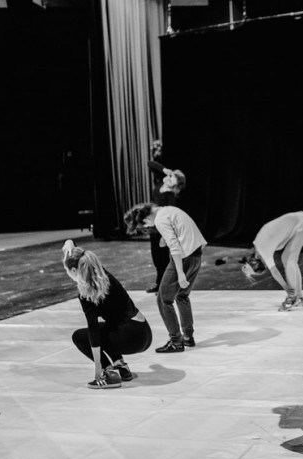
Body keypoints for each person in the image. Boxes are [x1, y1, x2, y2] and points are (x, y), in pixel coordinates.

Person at [62, 240, 152, 389]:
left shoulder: (86, 294)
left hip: (130, 338)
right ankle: (120, 366)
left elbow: (93, 330)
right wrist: (70, 243)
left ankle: (109, 373)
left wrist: (98, 367)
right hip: (144, 333)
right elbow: (82, 257)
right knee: (107, 328)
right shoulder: (104, 275)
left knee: (79, 337)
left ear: (73, 271)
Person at [126, 202, 207, 353]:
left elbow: (175, 247)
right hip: (196, 255)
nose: (148, 227)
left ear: (146, 219)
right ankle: (188, 337)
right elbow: (190, 231)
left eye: (145, 225)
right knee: (182, 296)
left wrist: (180, 272)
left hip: (183, 258)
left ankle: (176, 341)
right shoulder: (170, 210)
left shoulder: (160, 219)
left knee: (163, 300)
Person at [241, 211, 303, 311]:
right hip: (302, 220)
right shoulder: (258, 243)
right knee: (288, 258)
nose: (266, 265)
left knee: (289, 259)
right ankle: (299, 298)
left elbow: (274, 271)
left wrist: (287, 288)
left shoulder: (263, 250)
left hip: (302, 223)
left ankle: (292, 298)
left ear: (258, 259)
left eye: (264, 265)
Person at [145, 143, 186, 294]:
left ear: (175, 185)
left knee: (164, 259)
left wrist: (165, 235)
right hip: (153, 227)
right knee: (156, 258)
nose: (168, 177)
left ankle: (166, 286)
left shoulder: (170, 197)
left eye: (172, 177)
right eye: (169, 175)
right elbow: (150, 163)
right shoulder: (160, 183)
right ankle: (159, 283)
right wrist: (165, 170)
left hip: (163, 229)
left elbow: (170, 216)